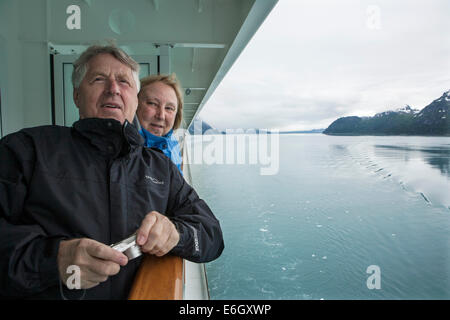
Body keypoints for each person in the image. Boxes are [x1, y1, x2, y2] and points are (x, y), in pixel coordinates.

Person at [0, 44, 224, 299]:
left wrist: (177, 234)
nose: (114, 89)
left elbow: (212, 236)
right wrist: (53, 260)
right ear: (76, 95)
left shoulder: (160, 168)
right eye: (98, 79)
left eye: (124, 82)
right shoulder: (26, 150)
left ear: (133, 99)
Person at [134, 74, 183, 173]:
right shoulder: (121, 149)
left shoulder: (173, 145)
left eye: (169, 108)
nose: (161, 115)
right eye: (152, 103)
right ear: (135, 104)